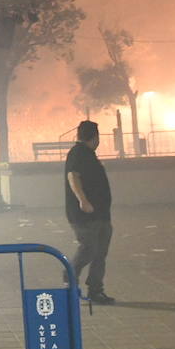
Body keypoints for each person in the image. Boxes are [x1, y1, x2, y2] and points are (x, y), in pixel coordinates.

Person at [64, 120, 115, 305]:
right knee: (89, 249)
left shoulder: (89, 155)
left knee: (100, 252)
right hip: (85, 215)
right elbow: (73, 176)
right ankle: (69, 273)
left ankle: (96, 290)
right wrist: (83, 201)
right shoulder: (78, 154)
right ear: (95, 137)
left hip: (100, 214)